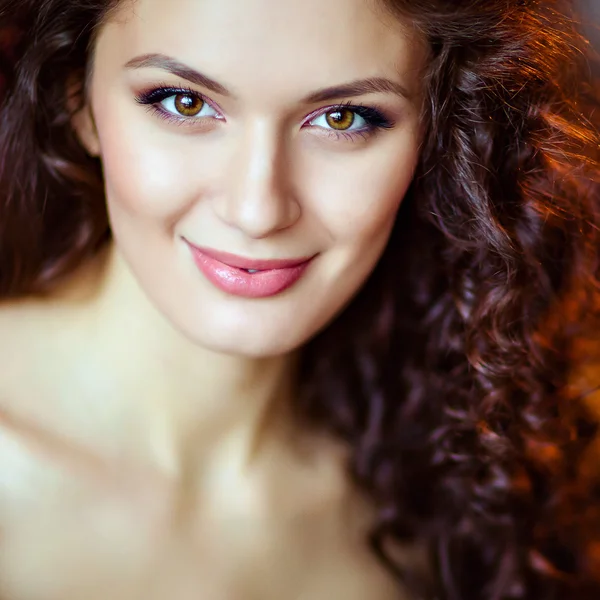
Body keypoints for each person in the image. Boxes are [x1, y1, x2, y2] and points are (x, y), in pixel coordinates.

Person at [0, 0, 598, 598]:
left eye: (342, 119)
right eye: (185, 103)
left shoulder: (461, 516)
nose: (257, 210)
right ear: (78, 100)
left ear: (438, 133)